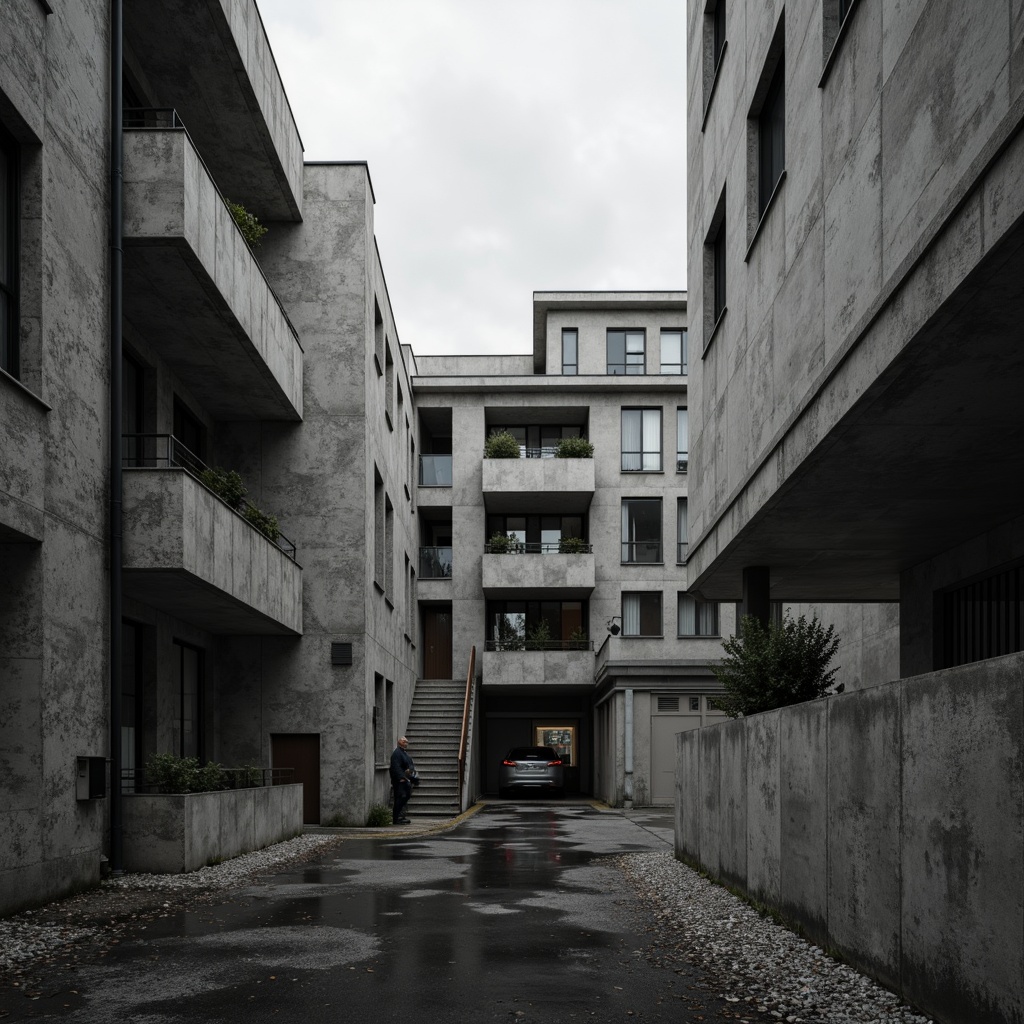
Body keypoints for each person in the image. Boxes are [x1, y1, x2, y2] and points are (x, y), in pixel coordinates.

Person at [389, 736, 415, 825]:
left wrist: (410, 770)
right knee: (400, 798)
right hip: (400, 781)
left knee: (404, 798)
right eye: (404, 741)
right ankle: (397, 818)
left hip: (406, 780)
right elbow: (395, 767)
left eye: (407, 742)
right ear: (400, 742)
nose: (406, 743)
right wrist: (401, 778)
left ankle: (402, 816)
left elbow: (411, 764)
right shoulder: (397, 753)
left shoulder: (405, 754)